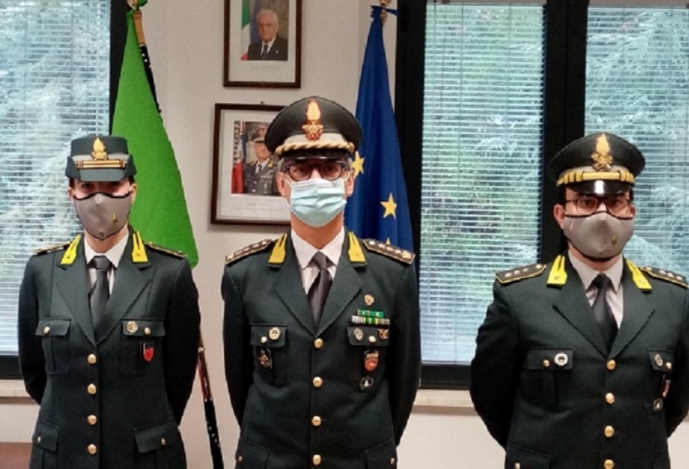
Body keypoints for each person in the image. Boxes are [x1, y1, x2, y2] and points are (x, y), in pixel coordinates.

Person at [470, 132, 689, 469]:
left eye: (616, 202)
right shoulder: (519, 298)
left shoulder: (671, 300)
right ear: (560, 214)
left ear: (632, 211)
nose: (602, 215)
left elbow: (676, 401)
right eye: (586, 203)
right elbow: (491, 396)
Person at [222, 96, 421, 468]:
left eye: (330, 169)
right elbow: (241, 386)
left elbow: (402, 386)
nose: (316, 180)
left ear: (349, 181)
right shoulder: (245, 275)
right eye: (301, 169)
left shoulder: (392, 275)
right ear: (282, 183)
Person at [18, 135, 201, 468]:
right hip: (63, 456)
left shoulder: (169, 274)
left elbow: (178, 380)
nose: (99, 199)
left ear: (132, 190)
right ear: (71, 194)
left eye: (112, 186)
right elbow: (35, 374)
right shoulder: (42, 272)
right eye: (87, 188)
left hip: (142, 458)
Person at [243, 127, 278, 196]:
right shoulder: (247, 168)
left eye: (266, 145)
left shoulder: (277, 169)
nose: (263, 148)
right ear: (255, 147)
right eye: (259, 145)